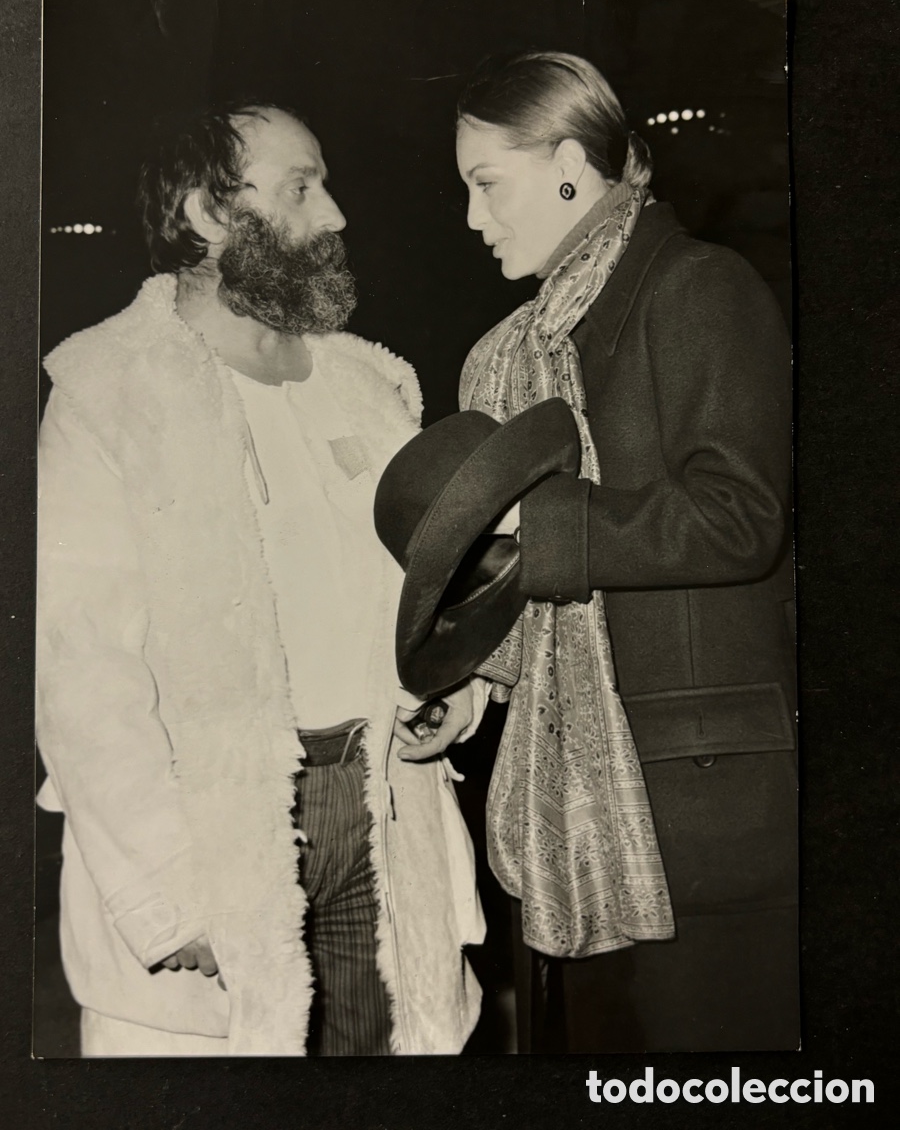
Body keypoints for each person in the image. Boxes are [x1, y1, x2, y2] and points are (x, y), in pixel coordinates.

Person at [36, 99, 486, 1057]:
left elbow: (433, 587)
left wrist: (456, 685)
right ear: (207, 215)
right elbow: (80, 672)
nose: (335, 215)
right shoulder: (106, 393)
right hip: (212, 822)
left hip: (376, 805)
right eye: (301, 186)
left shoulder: (371, 385)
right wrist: (167, 888)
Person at [454, 51, 797, 1052]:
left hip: (700, 813)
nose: (474, 222)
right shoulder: (539, 339)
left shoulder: (694, 288)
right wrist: (465, 683)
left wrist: (538, 523)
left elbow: (741, 516)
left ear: (568, 163)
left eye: (486, 185)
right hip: (597, 813)